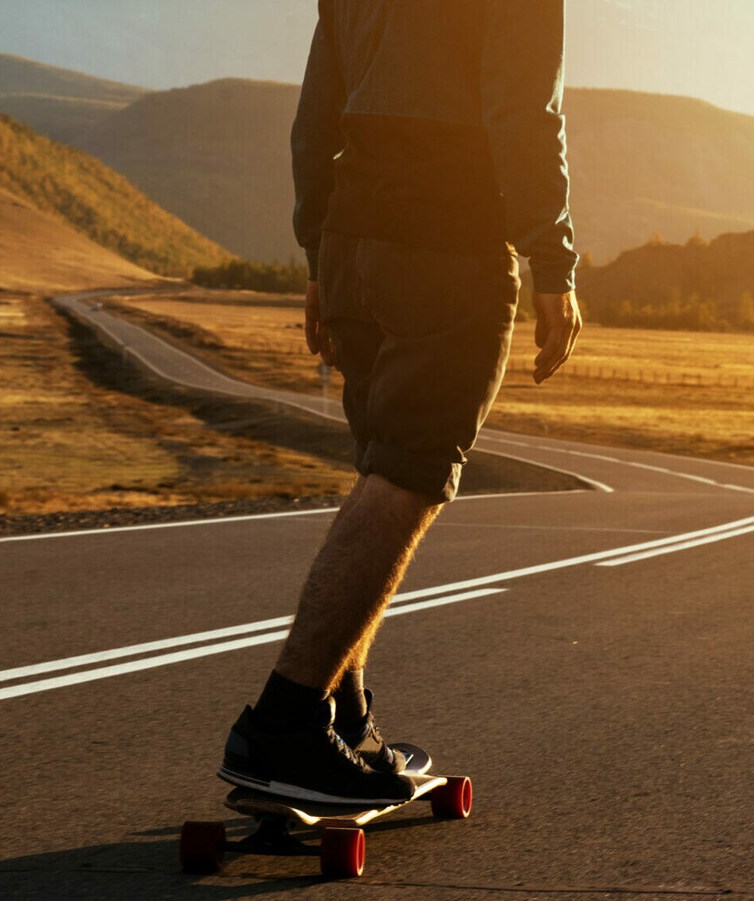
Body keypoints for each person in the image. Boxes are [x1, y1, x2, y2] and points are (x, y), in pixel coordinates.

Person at [218, 0, 581, 805]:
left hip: (353, 242)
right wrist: (553, 263)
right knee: (410, 473)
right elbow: (524, 109)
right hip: (447, 246)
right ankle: (285, 718)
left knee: (383, 466)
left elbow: (316, 115)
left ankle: (343, 716)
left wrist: (318, 255)